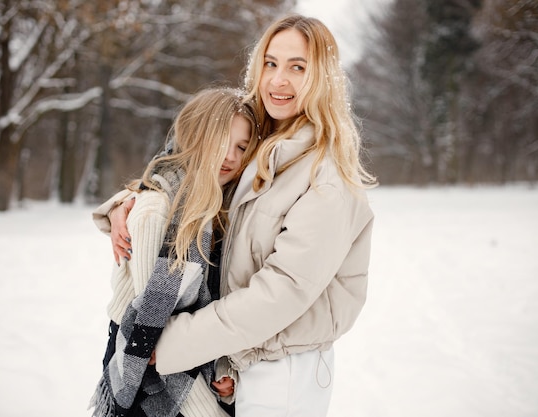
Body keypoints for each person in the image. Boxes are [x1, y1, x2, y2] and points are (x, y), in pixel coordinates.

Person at [99, 14, 376, 417]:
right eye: (270, 63)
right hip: (239, 358)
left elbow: (280, 293)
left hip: (283, 371)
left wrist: (171, 342)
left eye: (298, 67)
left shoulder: (324, 177)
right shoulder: (263, 148)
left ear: (323, 78)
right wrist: (136, 199)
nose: (278, 80)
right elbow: (192, 171)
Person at [89, 87, 260, 417]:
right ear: (196, 135)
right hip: (144, 363)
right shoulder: (156, 210)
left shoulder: (217, 205)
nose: (232, 157)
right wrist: (209, 411)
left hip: (184, 353)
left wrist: (222, 369)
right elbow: (153, 329)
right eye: (222, 140)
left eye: (242, 147)